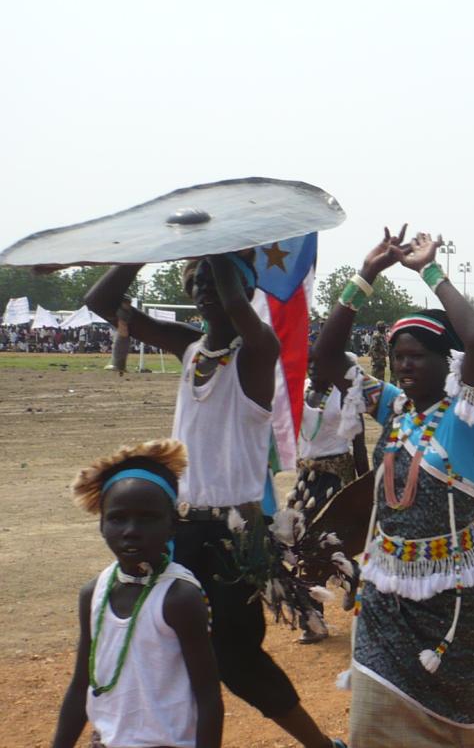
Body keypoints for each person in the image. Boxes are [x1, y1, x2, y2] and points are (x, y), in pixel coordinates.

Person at [85, 255, 340, 748]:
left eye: (217, 280)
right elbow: (100, 302)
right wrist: (141, 249)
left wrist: (221, 249)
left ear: (244, 290)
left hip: (233, 538)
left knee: (237, 659)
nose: (205, 287)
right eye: (197, 280)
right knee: (155, 638)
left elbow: (238, 310)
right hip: (176, 531)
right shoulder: (189, 347)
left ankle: (323, 745)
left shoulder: (257, 352)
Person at [312, 228, 474, 748]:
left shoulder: (465, 417)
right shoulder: (395, 409)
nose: (404, 365)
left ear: (446, 363)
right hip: (385, 591)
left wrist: (429, 269)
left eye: (417, 355)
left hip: (455, 601)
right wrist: (366, 274)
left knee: (463, 725)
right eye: (398, 355)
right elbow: (327, 359)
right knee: (370, 721)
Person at [52, 439, 222, 748]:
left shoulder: (179, 598)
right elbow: (80, 686)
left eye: (147, 518)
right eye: (117, 518)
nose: (131, 530)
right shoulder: (94, 593)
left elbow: (208, 696)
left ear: (173, 526)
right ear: (101, 525)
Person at [287, 353, 369, 643]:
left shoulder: (345, 395)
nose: (313, 366)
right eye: (309, 361)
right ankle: (319, 611)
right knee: (299, 546)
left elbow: (359, 446)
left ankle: (318, 615)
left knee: (323, 545)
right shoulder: (301, 390)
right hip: (306, 482)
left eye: (320, 361)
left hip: (336, 480)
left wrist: (364, 487)